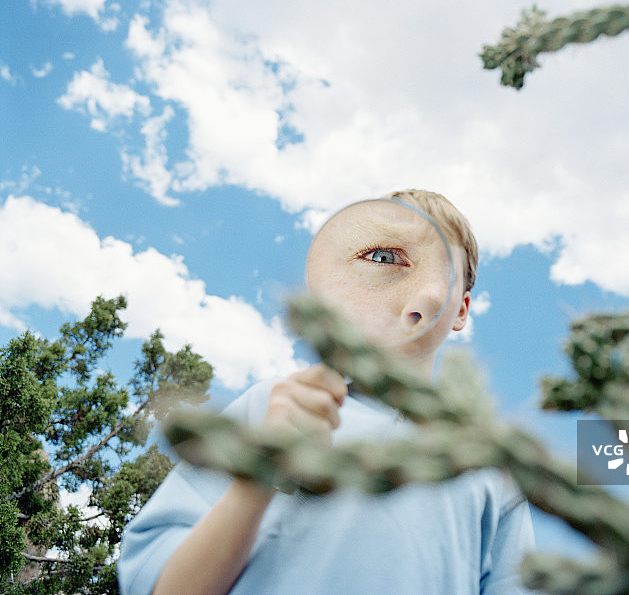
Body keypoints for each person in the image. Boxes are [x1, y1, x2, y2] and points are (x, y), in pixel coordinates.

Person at [117, 189, 535, 595]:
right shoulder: (271, 407)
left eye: (443, 274)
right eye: (384, 257)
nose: (422, 295)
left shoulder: (491, 467)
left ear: (460, 310)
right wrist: (258, 475)